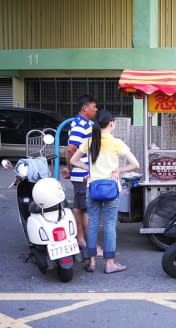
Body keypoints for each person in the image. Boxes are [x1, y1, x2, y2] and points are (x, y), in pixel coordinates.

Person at [70, 109, 140, 273]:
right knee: (109, 226)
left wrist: (87, 167)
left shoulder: (90, 141)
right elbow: (135, 164)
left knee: (93, 225)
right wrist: (119, 170)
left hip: (92, 188)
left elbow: (74, 160)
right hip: (111, 188)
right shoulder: (117, 143)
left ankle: (92, 261)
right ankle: (110, 264)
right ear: (111, 124)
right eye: (114, 121)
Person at [61, 94, 99, 254]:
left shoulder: (85, 123)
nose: (96, 110)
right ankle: (89, 245)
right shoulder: (80, 125)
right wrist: (70, 168)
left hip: (81, 173)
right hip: (82, 173)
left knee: (79, 207)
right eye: (94, 107)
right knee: (85, 209)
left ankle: (81, 239)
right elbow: (71, 149)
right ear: (85, 108)